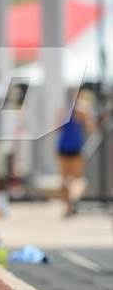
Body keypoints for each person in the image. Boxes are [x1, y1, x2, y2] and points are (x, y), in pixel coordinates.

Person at [57, 89, 95, 217]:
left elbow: (58, 128)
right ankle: (72, 200)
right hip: (75, 148)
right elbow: (91, 128)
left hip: (62, 147)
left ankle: (68, 206)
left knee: (65, 179)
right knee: (78, 179)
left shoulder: (64, 110)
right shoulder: (83, 110)